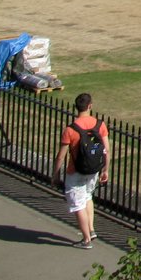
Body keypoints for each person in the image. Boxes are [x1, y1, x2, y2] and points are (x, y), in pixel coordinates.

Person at [53, 92, 109, 248]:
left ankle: (86, 240)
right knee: (87, 197)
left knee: (78, 204)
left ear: (76, 107)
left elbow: (61, 156)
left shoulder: (71, 129)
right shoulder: (100, 125)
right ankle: (91, 229)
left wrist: (55, 174)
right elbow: (106, 150)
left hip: (76, 170)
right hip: (93, 169)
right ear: (90, 106)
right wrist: (105, 170)